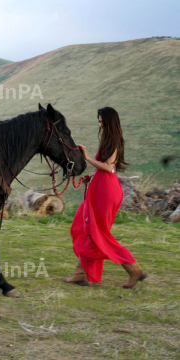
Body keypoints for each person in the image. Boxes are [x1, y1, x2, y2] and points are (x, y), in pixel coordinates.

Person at [64, 107, 147, 288]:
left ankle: (134, 269)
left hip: (106, 192)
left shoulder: (114, 140)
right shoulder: (108, 139)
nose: (100, 125)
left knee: (98, 234)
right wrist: (91, 177)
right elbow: (105, 169)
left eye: (102, 121)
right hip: (100, 188)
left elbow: (109, 167)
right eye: (99, 121)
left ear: (110, 121)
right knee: (84, 226)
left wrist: (86, 157)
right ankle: (81, 273)